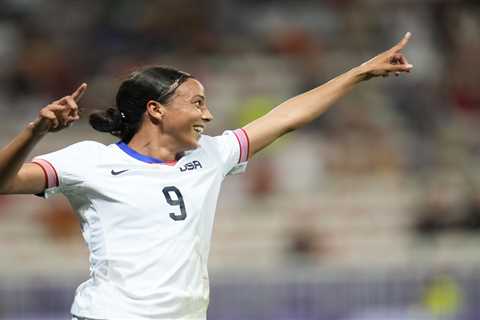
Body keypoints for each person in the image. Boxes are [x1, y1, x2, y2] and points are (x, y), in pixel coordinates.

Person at [0, 33, 413, 320]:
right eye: (197, 103)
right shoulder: (90, 162)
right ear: (156, 110)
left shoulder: (211, 156)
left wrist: (359, 73)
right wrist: (35, 130)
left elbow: (286, 117)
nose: (208, 115)